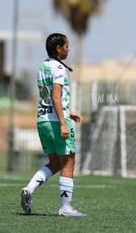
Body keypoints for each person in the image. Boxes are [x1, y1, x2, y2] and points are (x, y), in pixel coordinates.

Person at [20, 33, 86, 217]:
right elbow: (56, 97)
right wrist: (64, 123)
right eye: (66, 45)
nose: (68, 49)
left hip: (43, 120)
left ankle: (29, 189)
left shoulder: (42, 66)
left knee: (55, 163)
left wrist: (69, 112)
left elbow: (48, 97)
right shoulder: (58, 68)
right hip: (57, 122)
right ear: (58, 48)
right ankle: (65, 208)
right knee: (69, 162)